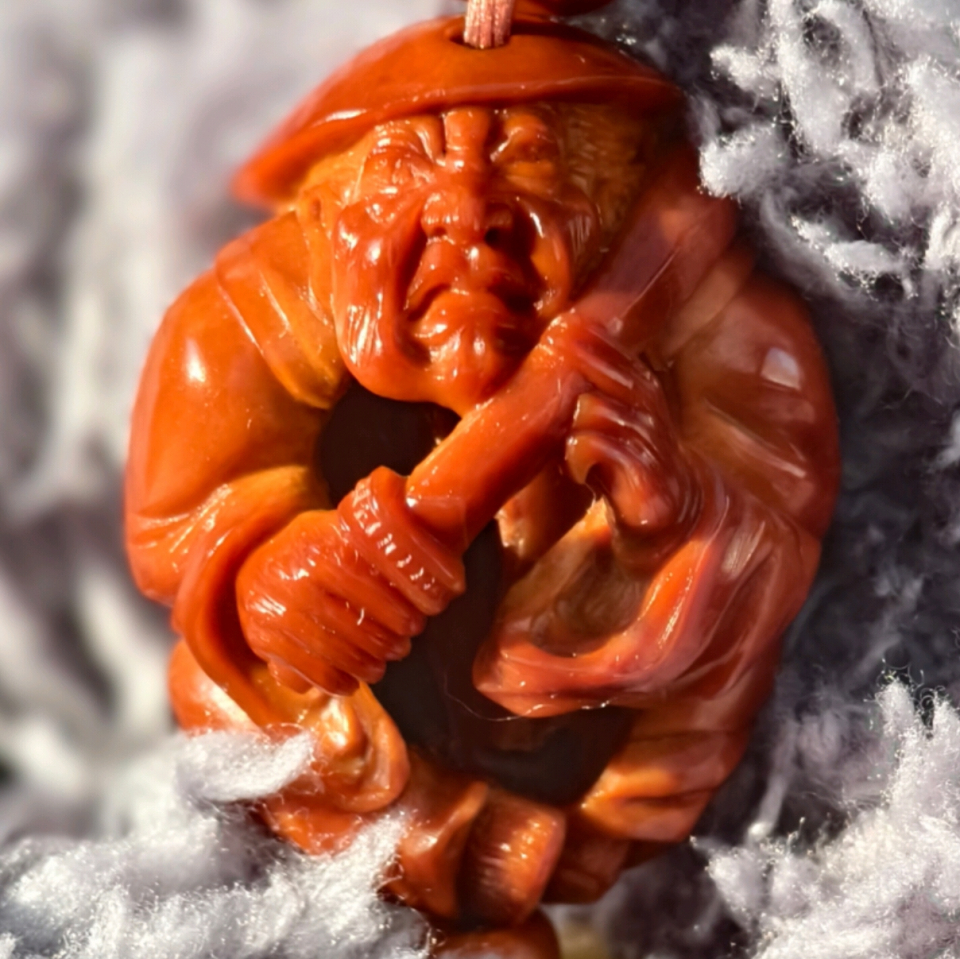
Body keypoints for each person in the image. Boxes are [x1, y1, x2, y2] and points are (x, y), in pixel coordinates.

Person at [125, 13, 839, 956]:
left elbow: (773, 531)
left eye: (529, 160)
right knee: (237, 697)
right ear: (331, 220)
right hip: (345, 775)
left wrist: (668, 521)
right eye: (407, 165)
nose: (467, 207)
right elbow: (188, 522)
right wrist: (277, 579)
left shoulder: (727, 321)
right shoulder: (253, 309)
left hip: (589, 782)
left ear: (612, 204)